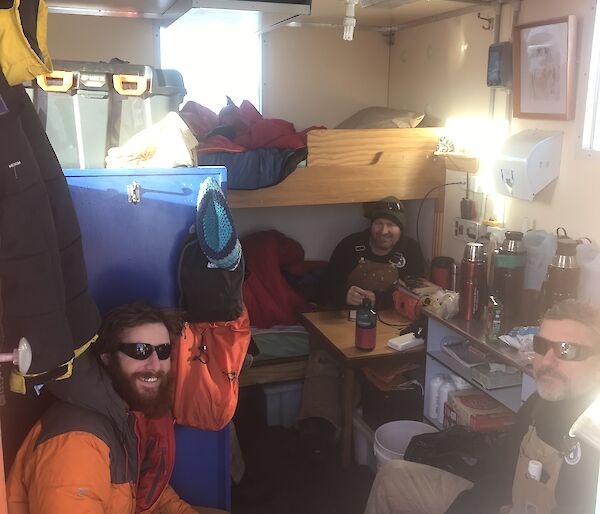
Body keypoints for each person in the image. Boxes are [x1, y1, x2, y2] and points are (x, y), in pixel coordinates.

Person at [365, 299, 600, 514]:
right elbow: (500, 476)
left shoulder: (593, 431)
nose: (547, 361)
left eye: (567, 349)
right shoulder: (536, 406)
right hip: (503, 504)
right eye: (541, 345)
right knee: (392, 476)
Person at [7, 302, 225, 514]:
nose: (155, 365)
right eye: (140, 351)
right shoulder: (79, 441)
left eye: (163, 351)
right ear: (108, 358)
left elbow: (149, 493)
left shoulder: (125, 414)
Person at [319, 197, 425, 309]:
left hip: (393, 319)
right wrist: (344, 295)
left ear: (400, 228)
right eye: (379, 223)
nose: (383, 231)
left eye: (391, 224)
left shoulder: (411, 250)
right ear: (371, 225)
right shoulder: (350, 245)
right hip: (348, 318)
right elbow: (325, 288)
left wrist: (378, 300)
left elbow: (418, 295)